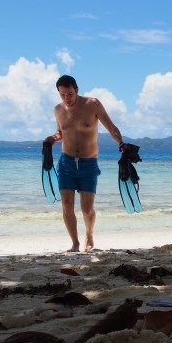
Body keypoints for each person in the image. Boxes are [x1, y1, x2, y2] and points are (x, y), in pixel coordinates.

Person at [45, 75, 127, 252]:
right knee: (67, 205)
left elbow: (111, 128)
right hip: (66, 163)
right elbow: (61, 132)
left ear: (77, 89)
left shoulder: (92, 104)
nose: (67, 98)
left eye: (70, 93)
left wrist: (121, 143)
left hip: (88, 164)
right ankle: (74, 243)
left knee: (87, 208)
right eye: (63, 95)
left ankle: (89, 234)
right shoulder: (58, 110)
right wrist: (52, 139)